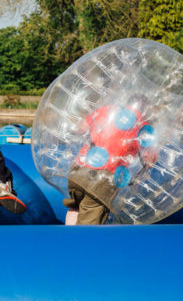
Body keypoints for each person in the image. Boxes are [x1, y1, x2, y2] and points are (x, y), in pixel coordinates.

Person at [63, 94, 158, 225]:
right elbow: (149, 159)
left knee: (77, 206)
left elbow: (81, 128)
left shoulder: (107, 110)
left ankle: (67, 240)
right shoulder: (144, 127)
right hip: (104, 177)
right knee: (90, 216)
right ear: (146, 110)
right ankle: (82, 245)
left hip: (78, 170)